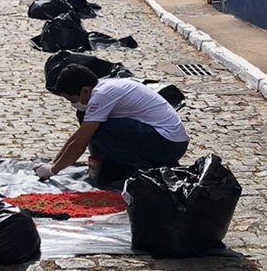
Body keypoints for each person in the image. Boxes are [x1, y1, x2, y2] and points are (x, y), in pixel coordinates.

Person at [44, 64, 187, 184]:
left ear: (85, 90)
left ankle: (143, 176)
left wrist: (53, 170)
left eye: (72, 99)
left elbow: (81, 142)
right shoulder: (102, 87)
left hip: (169, 144)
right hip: (164, 140)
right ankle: (121, 168)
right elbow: (80, 134)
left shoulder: (101, 95)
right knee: (91, 125)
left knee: (99, 131)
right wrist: (53, 161)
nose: (73, 104)